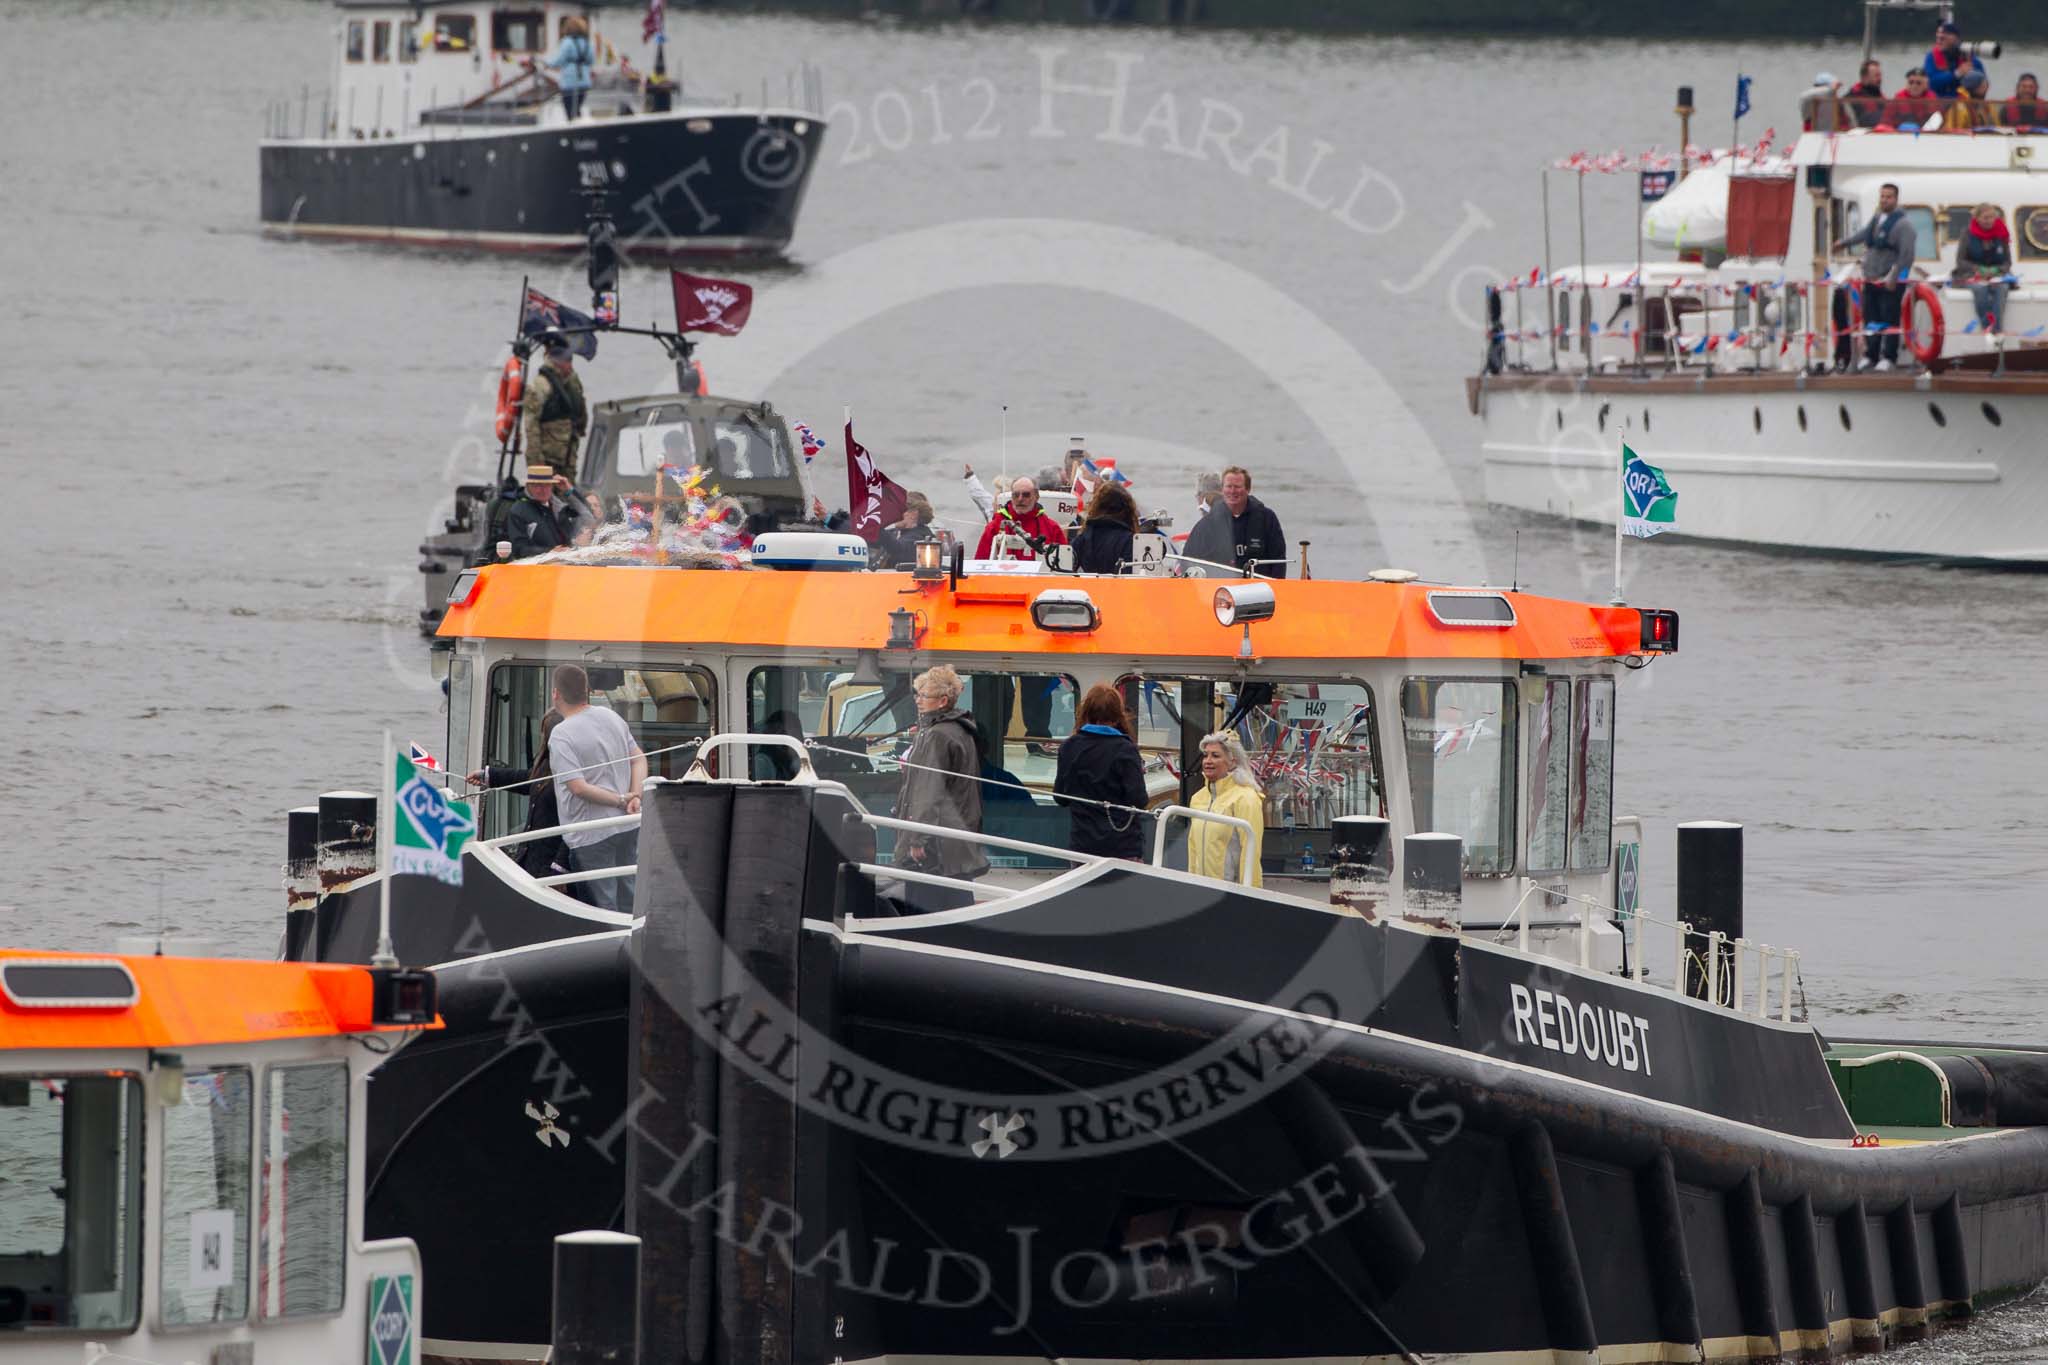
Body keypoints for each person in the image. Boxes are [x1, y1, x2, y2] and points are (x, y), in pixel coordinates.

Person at [548, 664, 647, 913]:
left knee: (602, 909)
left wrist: (623, 799)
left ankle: (610, 950)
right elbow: (639, 759)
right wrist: (636, 796)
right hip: (628, 825)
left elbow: (578, 787)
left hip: (590, 835)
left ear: (556, 694)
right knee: (630, 900)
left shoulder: (561, 735)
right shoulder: (611, 716)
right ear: (587, 691)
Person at [891, 665, 989, 911]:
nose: (918, 701)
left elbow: (928, 791)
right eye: (918, 694)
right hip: (956, 842)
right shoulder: (961, 730)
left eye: (924, 696)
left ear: (942, 701)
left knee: (923, 915)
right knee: (957, 912)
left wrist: (917, 839)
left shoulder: (936, 736)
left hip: (936, 847)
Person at [1053, 685, 1149, 860]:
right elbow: (1139, 800)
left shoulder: (1069, 747)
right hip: (1123, 846)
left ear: (1087, 712)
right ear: (1117, 715)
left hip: (1082, 845)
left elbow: (1060, 798)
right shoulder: (1125, 749)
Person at [467, 709, 567, 877]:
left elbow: (575, 823)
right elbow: (527, 780)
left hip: (549, 868)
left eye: (543, 734)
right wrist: (488, 776)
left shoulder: (568, 774)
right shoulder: (547, 765)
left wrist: (560, 868)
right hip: (532, 862)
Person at [1832, 182, 1916, 370]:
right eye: (1882, 196)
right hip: (1871, 277)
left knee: (1890, 317)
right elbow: (1864, 234)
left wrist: (1894, 278)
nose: (1885, 200)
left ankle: (1889, 356)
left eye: (1889, 197)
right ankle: (1871, 354)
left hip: (1889, 279)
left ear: (1896, 199)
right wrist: (1844, 243)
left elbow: (1907, 255)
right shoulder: (1878, 217)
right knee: (1871, 317)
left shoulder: (1904, 225)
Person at [1187, 732, 1264, 887]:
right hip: (1200, 890)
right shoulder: (1198, 798)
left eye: (1215, 756)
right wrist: (1190, 884)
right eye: (1205, 755)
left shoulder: (1246, 798)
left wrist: (1252, 895)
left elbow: (1251, 852)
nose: (1208, 761)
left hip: (1230, 891)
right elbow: (1193, 848)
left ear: (1232, 761)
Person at [1181, 466, 1288, 576]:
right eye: (1229, 486)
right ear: (1222, 490)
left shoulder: (1267, 519)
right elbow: (1187, 562)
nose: (1232, 491)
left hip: (1259, 589)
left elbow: (1279, 560)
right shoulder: (1206, 524)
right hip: (1219, 589)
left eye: (1237, 487)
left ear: (1248, 489)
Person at [974, 476, 1069, 561]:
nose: (1020, 499)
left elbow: (1064, 566)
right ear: (1011, 497)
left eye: (1026, 495)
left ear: (1036, 496)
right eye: (1016, 495)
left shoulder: (1052, 528)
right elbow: (980, 563)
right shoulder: (994, 526)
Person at [1955, 203, 2012, 333]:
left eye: (1992, 217)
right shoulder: (1967, 234)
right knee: (1980, 289)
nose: (1989, 221)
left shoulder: (2002, 233)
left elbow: (2007, 262)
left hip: (1996, 275)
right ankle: (1987, 326)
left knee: (2002, 289)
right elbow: (1960, 261)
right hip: (1971, 275)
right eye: (1986, 218)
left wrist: (1997, 271)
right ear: (1977, 218)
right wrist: (1978, 269)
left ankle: (1996, 329)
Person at [505, 464, 583, 559]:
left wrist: (569, 490)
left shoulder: (559, 507)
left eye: (547, 485)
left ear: (552, 486)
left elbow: (590, 516)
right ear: (528, 486)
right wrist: (550, 552)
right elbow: (519, 549)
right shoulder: (518, 510)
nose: (543, 490)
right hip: (536, 569)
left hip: (565, 564)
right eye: (537, 485)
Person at [535, 16, 595, 121]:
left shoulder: (567, 42)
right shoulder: (588, 43)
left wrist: (544, 62)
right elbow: (591, 61)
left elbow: (558, 61)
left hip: (569, 83)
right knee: (577, 109)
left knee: (570, 111)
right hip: (584, 82)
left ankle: (573, 132)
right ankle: (579, 130)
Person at [1070, 482, 1138, 574]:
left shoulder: (1082, 539)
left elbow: (1067, 569)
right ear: (1128, 509)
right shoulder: (1131, 541)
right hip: (1120, 587)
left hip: (1089, 586)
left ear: (1096, 506)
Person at [1923, 20, 1986, 101]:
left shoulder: (1971, 59)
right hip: (1939, 104)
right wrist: (1957, 74)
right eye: (1938, 37)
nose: (1940, 39)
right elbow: (1930, 83)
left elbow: (1983, 84)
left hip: (1965, 106)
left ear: (1957, 38)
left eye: (1944, 36)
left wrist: (1974, 77)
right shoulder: (1931, 57)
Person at [875, 491, 936, 568]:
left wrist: (877, 527)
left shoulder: (921, 537)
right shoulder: (896, 532)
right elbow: (873, 541)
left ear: (913, 514)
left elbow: (899, 549)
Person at [1846, 59, 1886, 128]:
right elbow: (1862, 120)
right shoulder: (1853, 97)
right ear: (1865, 78)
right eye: (1876, 76)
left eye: (1880, 75)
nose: (1880, 79)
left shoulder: (1879, 96)